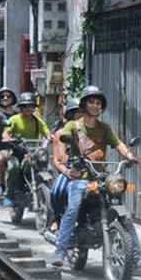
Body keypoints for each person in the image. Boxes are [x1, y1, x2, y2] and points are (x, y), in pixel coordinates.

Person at [47, 85, 141, 268]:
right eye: (91, 101)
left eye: (98, 102)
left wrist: (130, 157)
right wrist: (67, 145)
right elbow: (64, 137)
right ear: (84, 104)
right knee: (73, 208)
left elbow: (119, 144)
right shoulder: (73, 125)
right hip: (81, 177)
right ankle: (60, 251)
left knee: (125, 215)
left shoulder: (104, 128)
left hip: (101, 176)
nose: (95, 105)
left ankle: (137, 257)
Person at [1, 92, 51, 203]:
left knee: (48, 168)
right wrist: (7, 138)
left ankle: (46, 193)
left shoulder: (38, 121)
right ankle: (9, 195)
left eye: (31, 106)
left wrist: (50, 137)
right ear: (21, 107)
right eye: (25, 106)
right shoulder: (14, 119)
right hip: (17, 152)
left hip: (33, 152)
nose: (28, 109)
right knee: (13, 167)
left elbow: (46, 131)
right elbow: (6, 132)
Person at [48, 97, 82, 237]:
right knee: (58, 190)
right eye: (77, 113)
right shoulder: (61, 133)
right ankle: (57, 219)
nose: (80, 116)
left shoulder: (91, 131)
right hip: (70, 169)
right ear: (71, 115)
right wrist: (67, 171)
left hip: (89, 169)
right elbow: (59, 160)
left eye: (83, 112)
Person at [0, 87, 19, 197]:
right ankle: (1, 184)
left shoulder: (18, 115)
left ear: (12, 99)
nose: (5, 98)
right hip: (3, 148)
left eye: (8, 96)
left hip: (19, 148)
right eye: (3, 96)